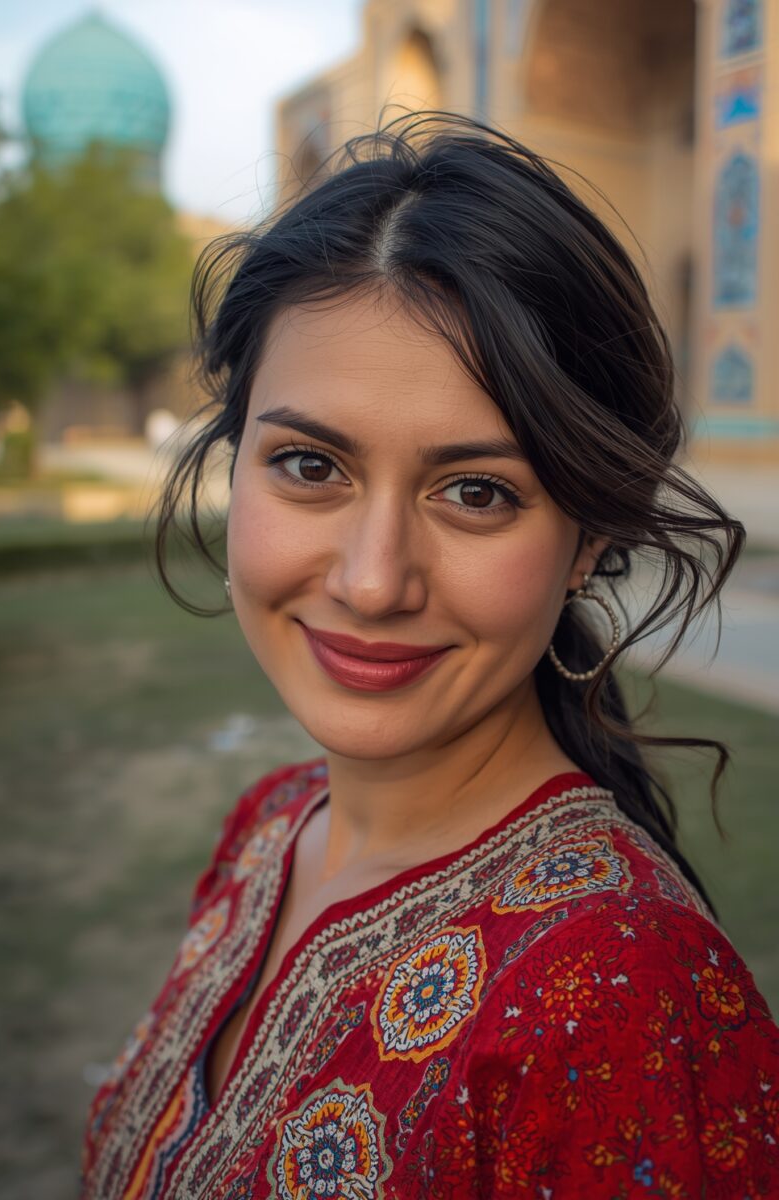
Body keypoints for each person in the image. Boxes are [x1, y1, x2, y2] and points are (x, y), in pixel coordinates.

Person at [81, 112, 779, 1199]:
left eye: (476, 492)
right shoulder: (269, 833)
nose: (371, 580)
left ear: (587, 536)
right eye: (309, 465)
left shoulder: (616, 996)